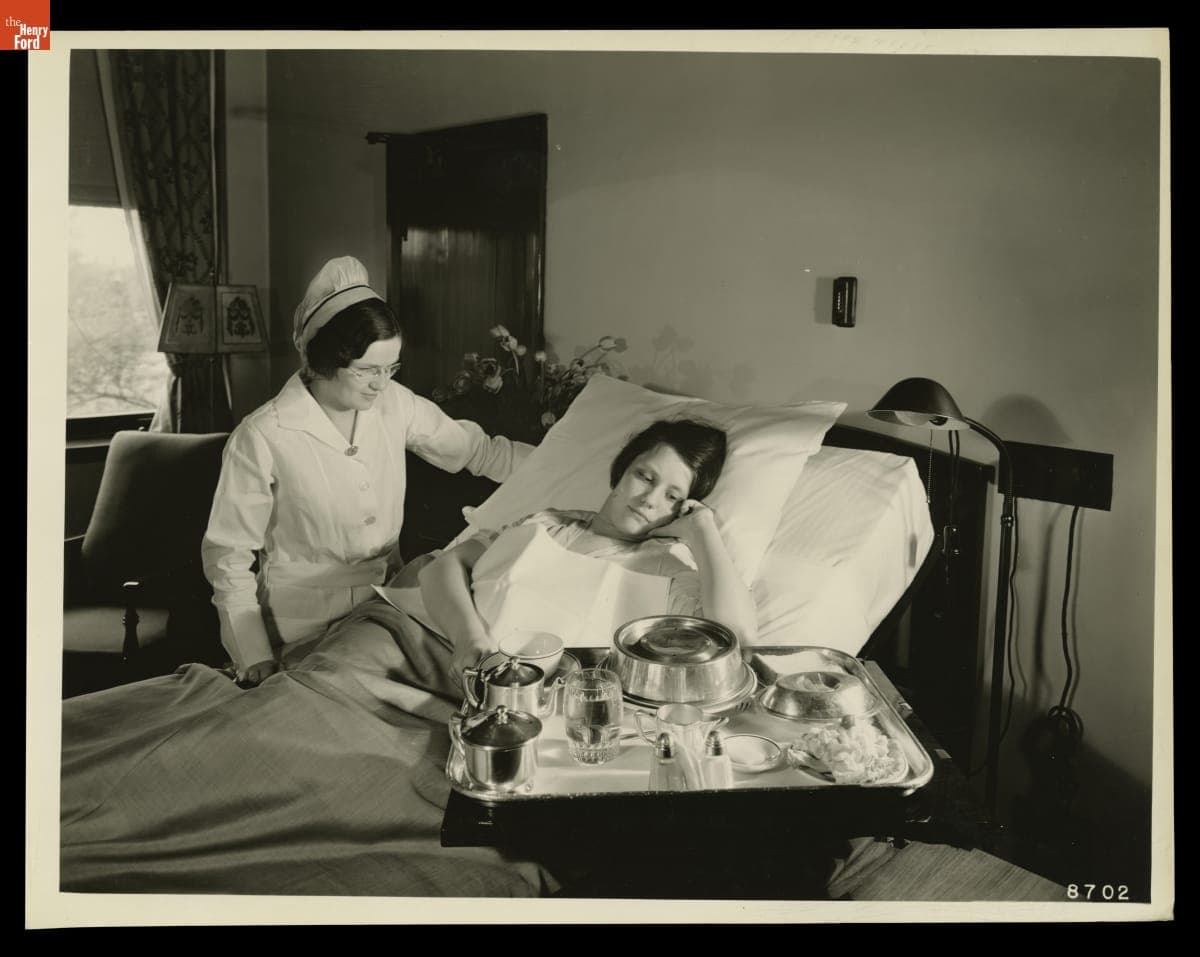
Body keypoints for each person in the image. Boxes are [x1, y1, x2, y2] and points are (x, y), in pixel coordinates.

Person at [202, 255, 525, 685]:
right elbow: (228, 557)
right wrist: (253, 654)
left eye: (391, 368)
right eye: (367, 371)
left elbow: (479, 452)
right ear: (324, 360)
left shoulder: (395, 403)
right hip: (298, 626)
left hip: (385, 608)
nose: (381, 383)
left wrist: (569, 464)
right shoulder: (264, 435)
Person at [419, 418, 759, 684]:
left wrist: (703, 531)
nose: (648, 500)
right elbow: (442, 566)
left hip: (526, 702)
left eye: (672, 496)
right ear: (620, 472)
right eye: (644, 476)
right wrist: (467, 638)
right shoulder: (547, 522)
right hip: (434, 650)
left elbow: (738, 639)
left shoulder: (665, 571)